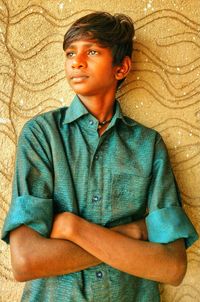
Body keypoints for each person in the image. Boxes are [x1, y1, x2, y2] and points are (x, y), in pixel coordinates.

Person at [1, 11, 198, 302]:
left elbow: (171, 266)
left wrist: (72, 227)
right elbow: (27, 260)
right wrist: (130, 233)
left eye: (92, 51)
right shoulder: (42, 135)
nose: (76, 61)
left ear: (121, 68)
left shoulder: (148, 145)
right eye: (70, 53)